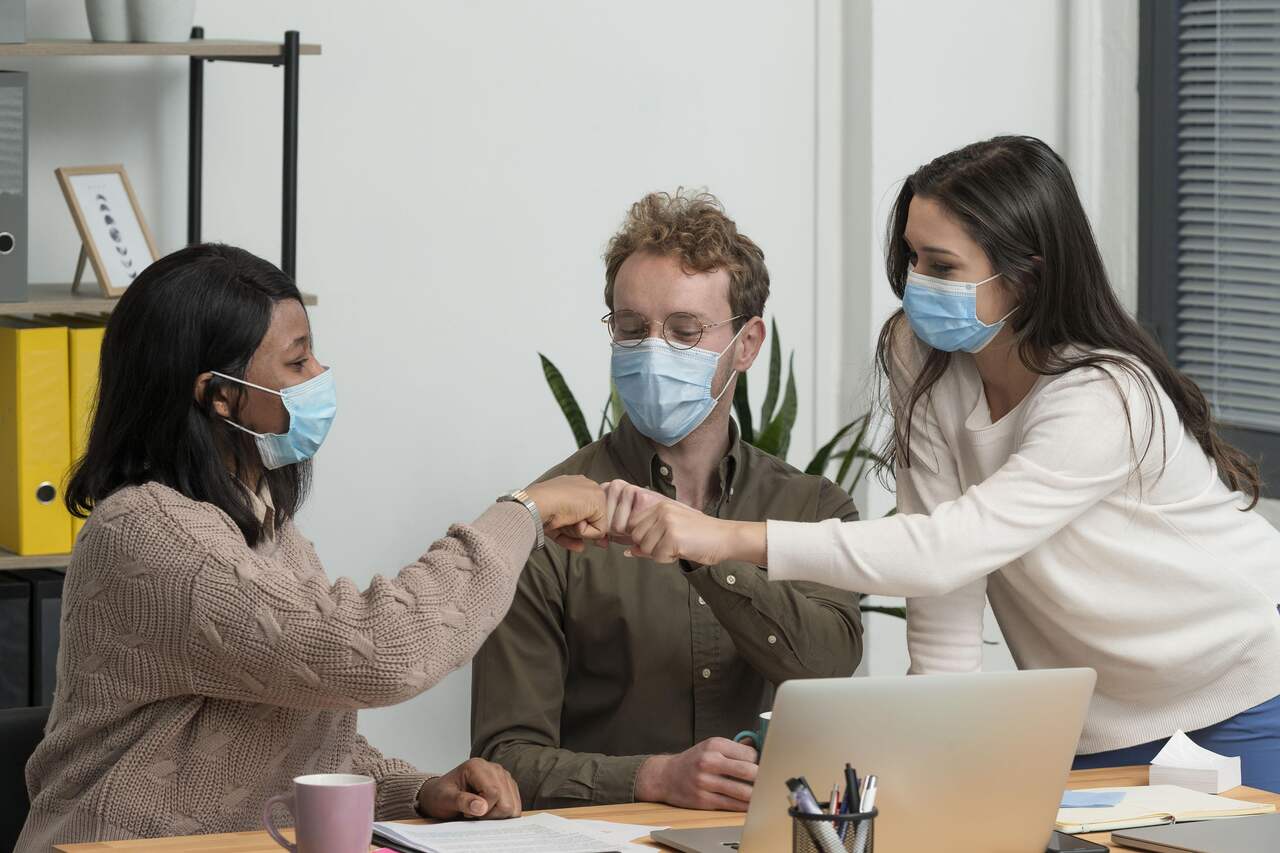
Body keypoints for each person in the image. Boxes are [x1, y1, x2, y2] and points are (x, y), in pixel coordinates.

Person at [600, 137, 1280, 792]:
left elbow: (945, 548)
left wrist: (722, 535)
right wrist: (937, 756)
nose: (917, 284)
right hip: (1099, 722)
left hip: (1240, 684)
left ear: (1026, 275)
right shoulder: (919, 356)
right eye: (912, 257)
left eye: (943, 265)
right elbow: (942, 589)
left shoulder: (1102, 395)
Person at [16, 244, 609, 850]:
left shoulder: (262, 524)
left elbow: (298, 732)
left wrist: (419, 791)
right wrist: (523, 513)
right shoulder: (147, 532)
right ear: (218, 396)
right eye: (297, 363)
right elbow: (382, 652)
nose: (320, 376)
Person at [470, 190, 863, 812]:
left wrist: (705, 550)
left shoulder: (813, 508)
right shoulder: (545, 520)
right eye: (632, 329)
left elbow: (826, 666)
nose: (653, 351)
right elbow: (503, 757)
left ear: (747, 343)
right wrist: (651, 779)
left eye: (683, 331)